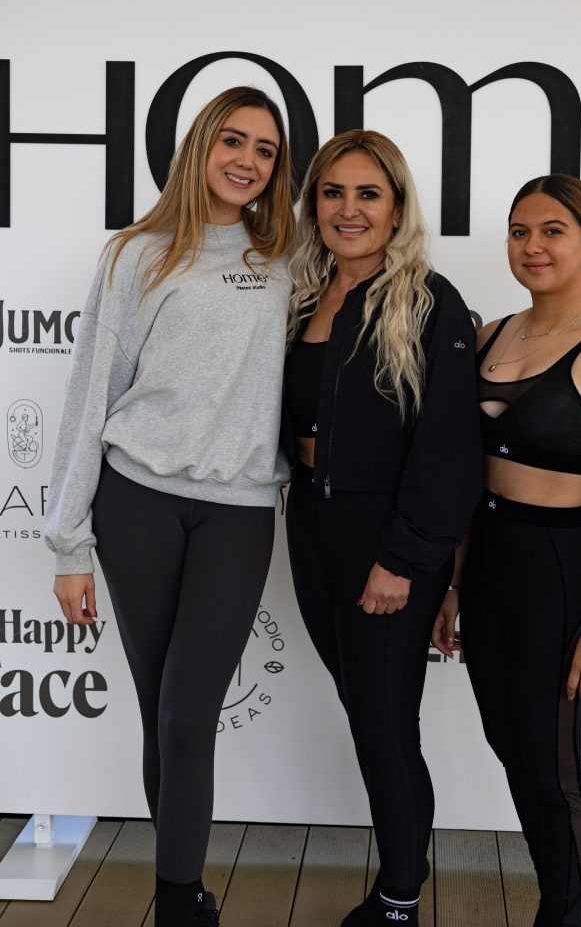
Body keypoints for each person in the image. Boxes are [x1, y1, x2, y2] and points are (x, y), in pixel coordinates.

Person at [45, 86, 295, 927]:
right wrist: (68, 543)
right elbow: (90, 395)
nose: (247, 161)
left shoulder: (288, 259)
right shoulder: (135, 255)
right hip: (138, 504)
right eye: (233, 140)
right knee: (163, 713)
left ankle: (178, 895)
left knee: (190, 715)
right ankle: (181, 898)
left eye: (264, 150)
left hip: (238, 511)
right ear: (199, 147)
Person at [432, 174, 581, 927]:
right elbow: (469, 479)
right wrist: (454, 583)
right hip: (490, 561)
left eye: (552, 232)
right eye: (519, 232)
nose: (532, 246)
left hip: (560, 570)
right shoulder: (493, 335)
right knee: (510, 742)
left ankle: (562, 916)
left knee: (552, 760)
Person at [284, 130, 483, 926]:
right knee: (370, 714)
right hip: (312, 529)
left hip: (387, 542)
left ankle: (398, 899)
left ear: (396, 208)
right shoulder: (303, 296)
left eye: (368, 193)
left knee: (384, 726)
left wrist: (404, 559)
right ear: (313, 206)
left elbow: (448, 448)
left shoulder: (429, 301)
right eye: (332, 193)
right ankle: (407, 871)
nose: (349, 209)